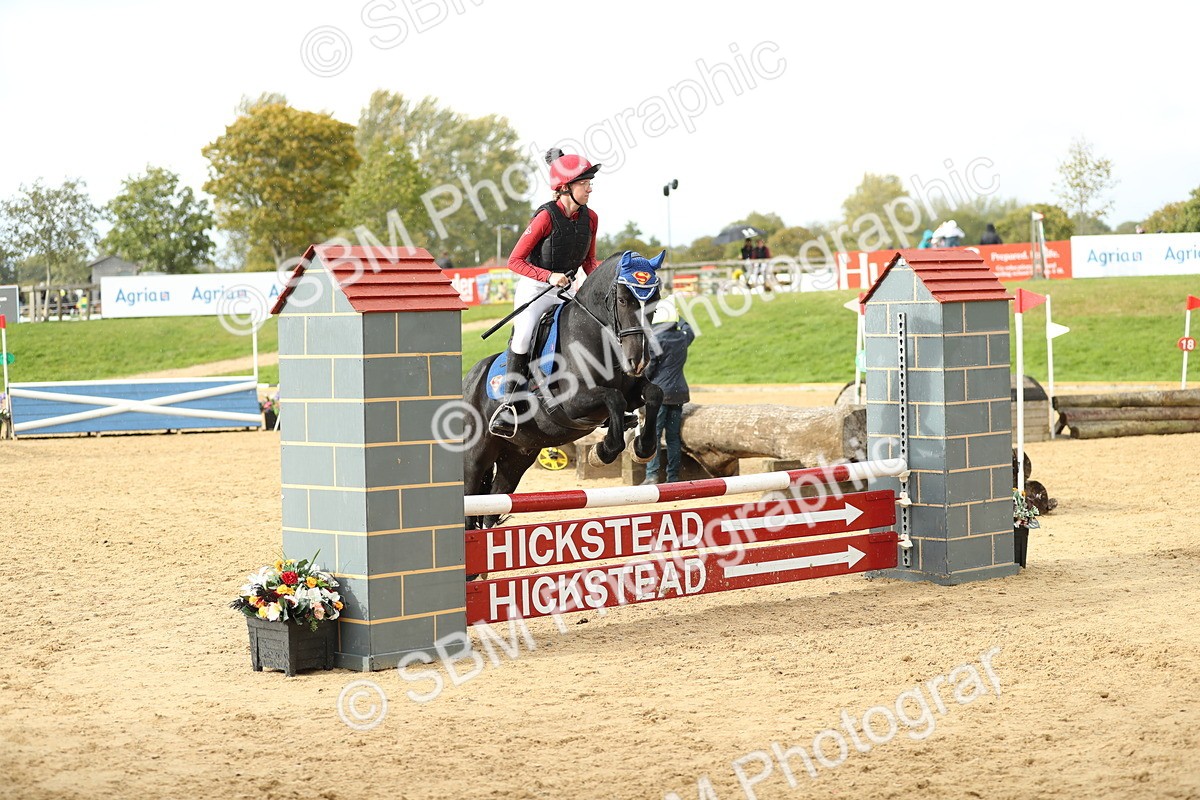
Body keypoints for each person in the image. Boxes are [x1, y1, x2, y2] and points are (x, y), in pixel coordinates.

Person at [488, 148, 601, 437]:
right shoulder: (545, 218)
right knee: (524, 336)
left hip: (566, 289)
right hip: (535, 289)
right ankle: (507, 406)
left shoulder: (591, 218)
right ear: (565, 188)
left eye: (590, 182)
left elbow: (589, 261)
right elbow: (515, 261)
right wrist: (549, 275)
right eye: (583, 183)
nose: (589, 188)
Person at [640, 298, 695, 485]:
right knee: (673, 438)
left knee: (653, 436)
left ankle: (652, 475)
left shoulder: (655, 340)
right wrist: (678, 316)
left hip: (659, 396)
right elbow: (691, 331)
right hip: (679, 394)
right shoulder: (682, 337)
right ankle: (673, 477)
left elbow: (650, 369)